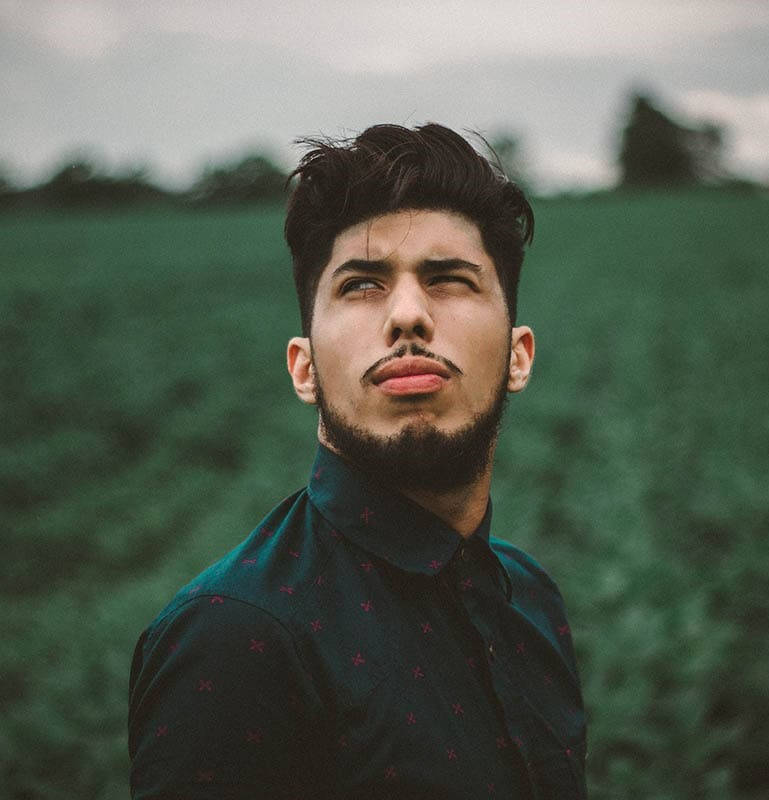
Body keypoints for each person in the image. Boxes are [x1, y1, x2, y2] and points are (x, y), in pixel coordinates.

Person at [128, 123, 587, 799]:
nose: (408, 316)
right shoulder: (235, 637)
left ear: (518, 356)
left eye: (449, 280)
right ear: (305, 367)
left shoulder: (531, 599)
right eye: (363, 285)